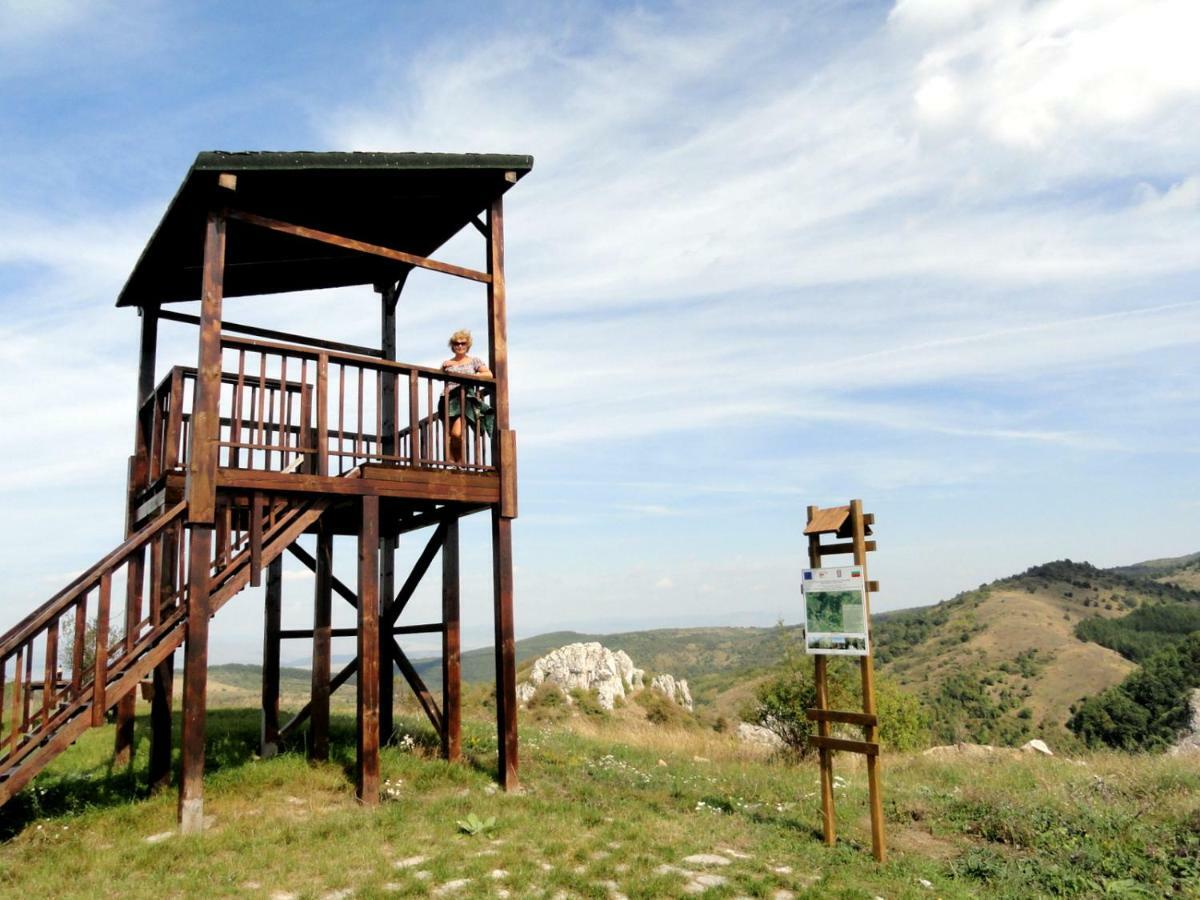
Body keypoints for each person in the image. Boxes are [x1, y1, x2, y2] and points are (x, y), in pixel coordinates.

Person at [441, 330, 493, 464]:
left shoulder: (474, 361)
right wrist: (444, 367)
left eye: (463, 343)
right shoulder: (448, 362)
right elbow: (440, 377)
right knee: (448, 434)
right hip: (447, 398)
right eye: (456, 343)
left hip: (463, 398)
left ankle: (459, 461)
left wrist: (472, 377)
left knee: (457, 434)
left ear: (467, 345)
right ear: (452, 346)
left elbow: (488, 374)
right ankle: (452, 462)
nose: (459, 346)